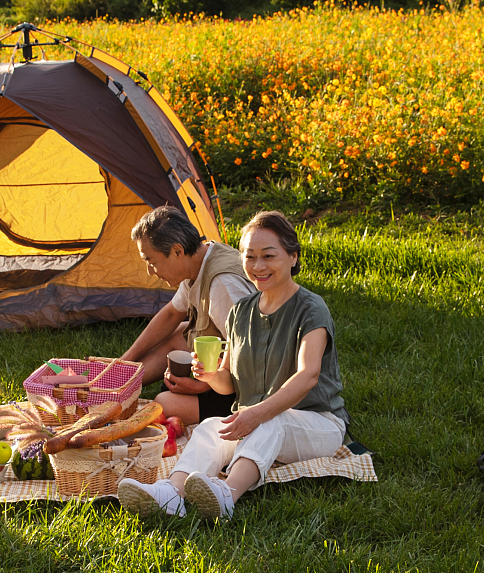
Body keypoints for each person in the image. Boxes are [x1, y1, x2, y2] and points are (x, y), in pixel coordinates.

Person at [118, 210, 347, 522]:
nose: (258, 266)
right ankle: (172, 492)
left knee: (270, 419)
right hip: (257, 418)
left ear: (293, 257)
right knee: (212, 428)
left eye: (269, 256)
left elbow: (309, 375)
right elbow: (228, 382)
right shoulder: (242, 312)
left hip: (319, 422)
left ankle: (227, 494)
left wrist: (256, 412)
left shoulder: (311, 308)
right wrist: (211, 376)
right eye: (249, 257)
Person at [116, 205, 252, 429]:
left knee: (163, 403)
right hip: (222, 366)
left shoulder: (222, 284)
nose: (150, 271)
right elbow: (171, 313)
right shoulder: (200, 259)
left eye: (151, 261)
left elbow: (247, 349)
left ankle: (124, 388)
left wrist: (203, 386)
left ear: (177, 251)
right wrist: (124, 361)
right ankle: (122, 385)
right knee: (181, 331)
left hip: (246, 386)